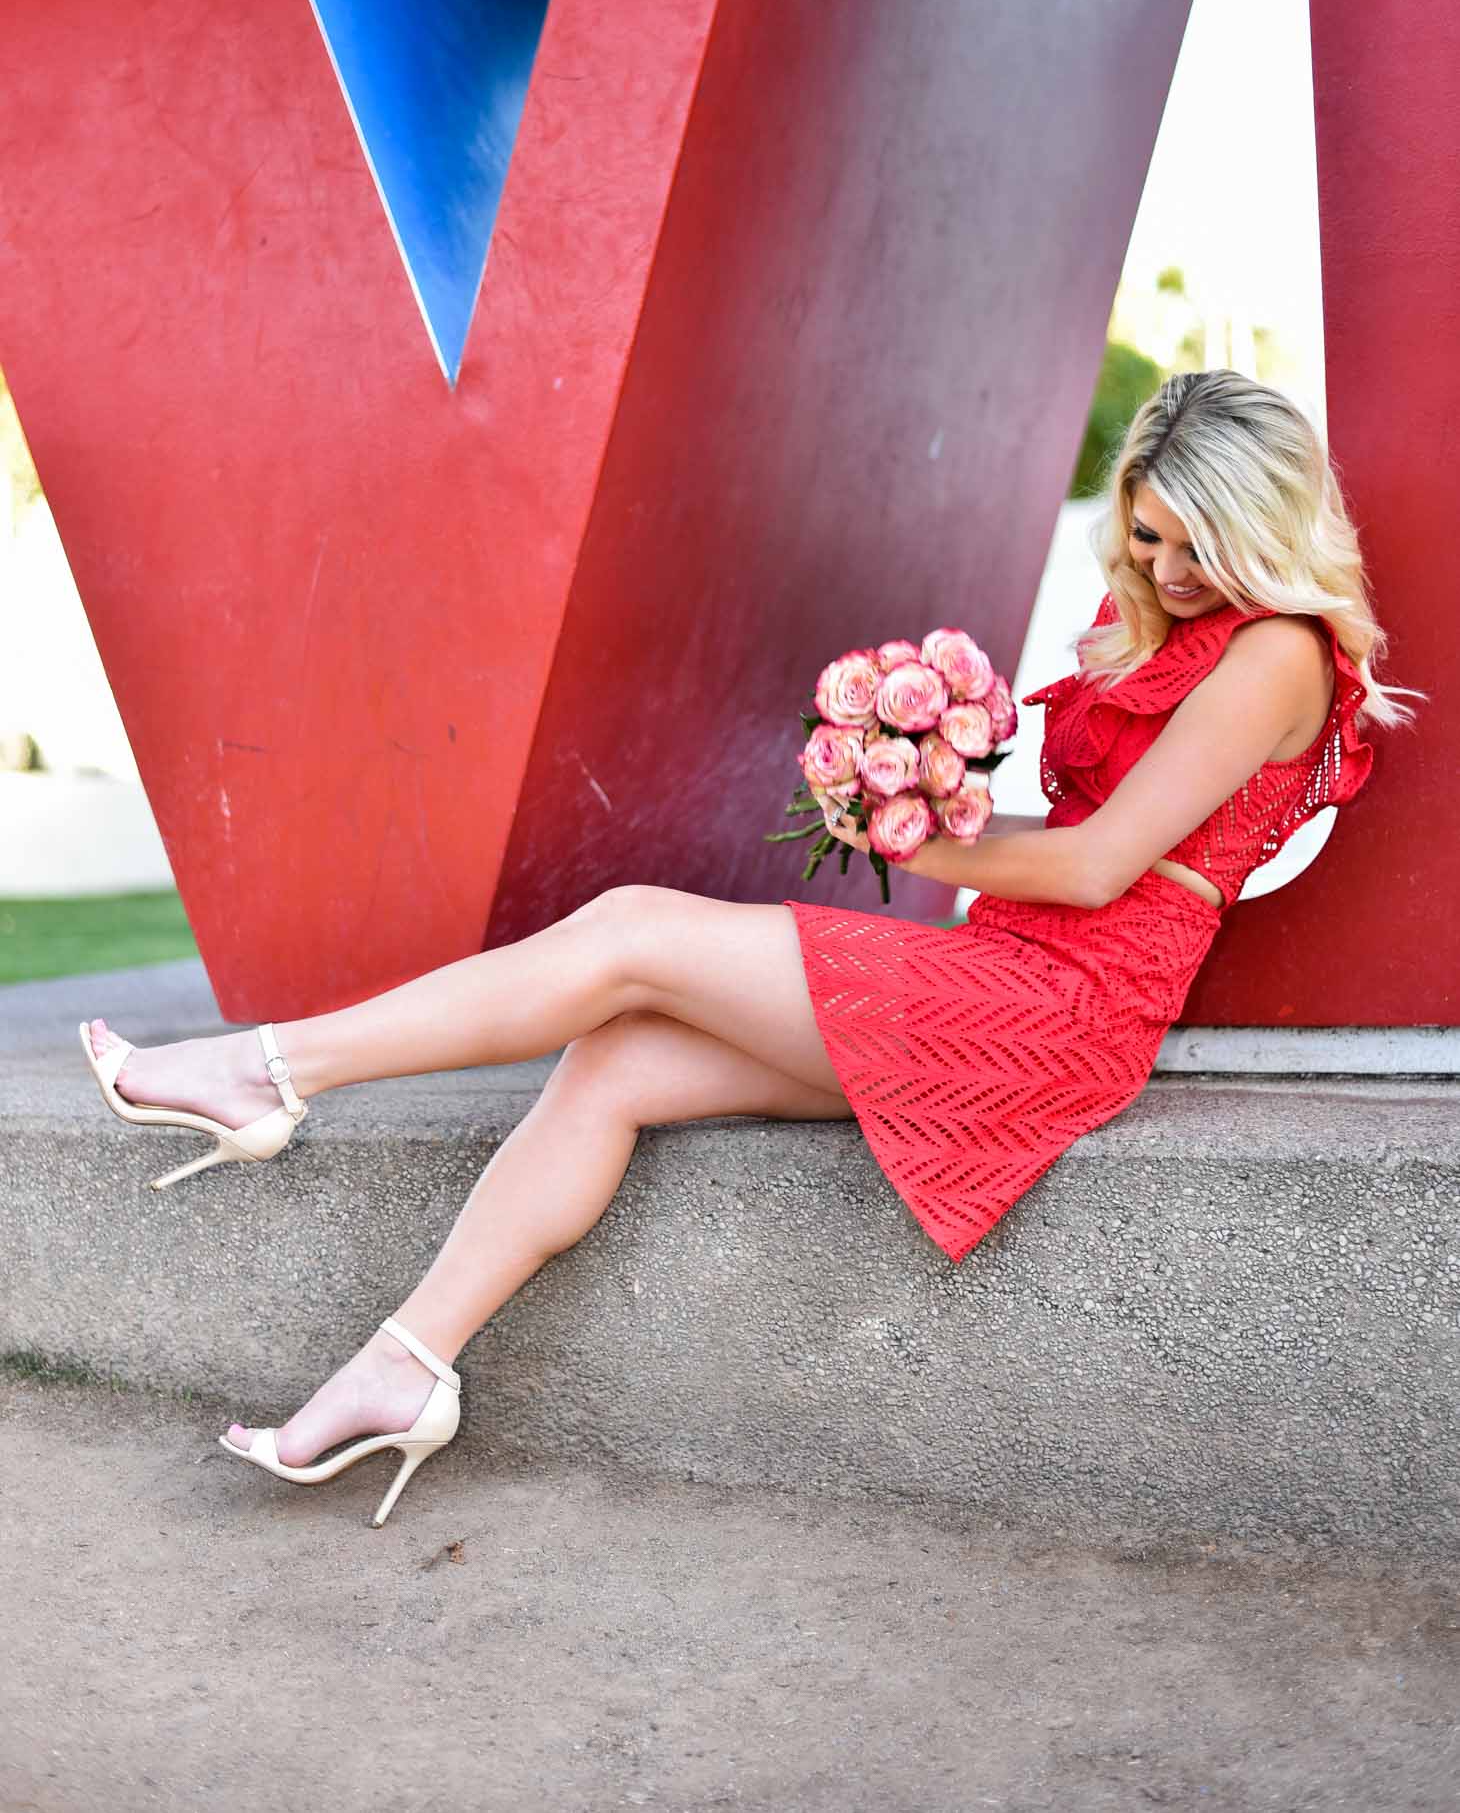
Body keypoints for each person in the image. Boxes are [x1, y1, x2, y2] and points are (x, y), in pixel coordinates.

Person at [78, 370, 1422, 1525]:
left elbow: (1097, 862)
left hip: (1060, 1005)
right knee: (615, 1061)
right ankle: (406, 1365)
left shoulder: (1279, 656)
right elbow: (1071, 831)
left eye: (1202, 545)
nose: (1172, 570)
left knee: (629, 934)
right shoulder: (1177, 637)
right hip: (1002, 967)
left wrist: (915, 838)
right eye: (1149, 536)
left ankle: (271, 1074)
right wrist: (918, 797)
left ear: (1271, 528)